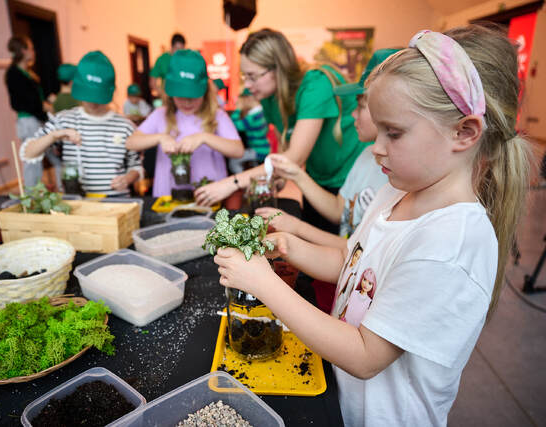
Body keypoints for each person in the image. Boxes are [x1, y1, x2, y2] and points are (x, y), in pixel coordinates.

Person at [214, 25, 531, 426]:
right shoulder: (398, 190)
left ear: (463, 132)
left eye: (393, 133)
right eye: (377, 130)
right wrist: (292, 247)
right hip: (343, 404)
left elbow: (366, 357)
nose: (376, 147)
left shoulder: (450, 245)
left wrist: (264, 283)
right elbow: (352, 258)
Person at [195, 29, 363, 235]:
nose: (247, 85)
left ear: (278, 69)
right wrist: (275, 177)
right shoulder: (269, 97)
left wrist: (232, 183)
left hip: (349, 176)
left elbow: (294, 157)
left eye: (253, 76)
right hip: (316, 178)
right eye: (244, 76)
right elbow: (285, 147)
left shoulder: (316, 84)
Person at [256, 49, 399, 248]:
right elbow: (338, 209)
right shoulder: (366, 156)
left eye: (360, 106)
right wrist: (297, 174)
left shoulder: (398, 177)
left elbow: (363, 249)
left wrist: (296, 228)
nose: (352, 114)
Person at [21, 51, 142, 196]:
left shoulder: (125, 126)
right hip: (79, 206)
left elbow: (136, 165)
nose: (92, 102)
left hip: (118, 204)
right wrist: (55, 136)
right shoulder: (64, 120)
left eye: (98, 96)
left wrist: (128, 178)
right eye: (88, 95)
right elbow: (28, 152)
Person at [126, 49, 244, 197]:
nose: (187, 102)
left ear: (204, 92)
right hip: (167, 197)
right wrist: (160, 137)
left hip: (209, 197)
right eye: (181, 97)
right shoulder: (160, 115)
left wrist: (204, 137)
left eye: (193, 97)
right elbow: (131, 142)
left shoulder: (217, 116)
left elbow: (238, 150)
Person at [5, 35, 61, 189]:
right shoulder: (14, 74)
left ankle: (62, 189)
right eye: (31, 48)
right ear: (23, 51)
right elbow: (20, 102)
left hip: (40, 120)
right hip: (29, 121)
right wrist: (42, 106)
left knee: (56, 157)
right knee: (32, 161)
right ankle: (32, 196)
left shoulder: (30, 74)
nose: (33, 52)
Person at [228, 88, 270, 173]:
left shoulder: (254, 116)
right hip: (264, 148)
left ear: (248, 99)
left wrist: (238, 109)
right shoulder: (261, 112)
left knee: (233, 161)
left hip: (258, 151)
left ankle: (243, 180)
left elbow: (233, 125)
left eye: (242, 100)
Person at [149, 33, 185, 98]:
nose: (179, 52)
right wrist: (163, 95)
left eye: (182, 50)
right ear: (171, 47)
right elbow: (152, 82)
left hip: (182, 98)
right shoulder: (162, 60)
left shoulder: (186, 60)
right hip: (168, 98)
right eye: (177, 49)